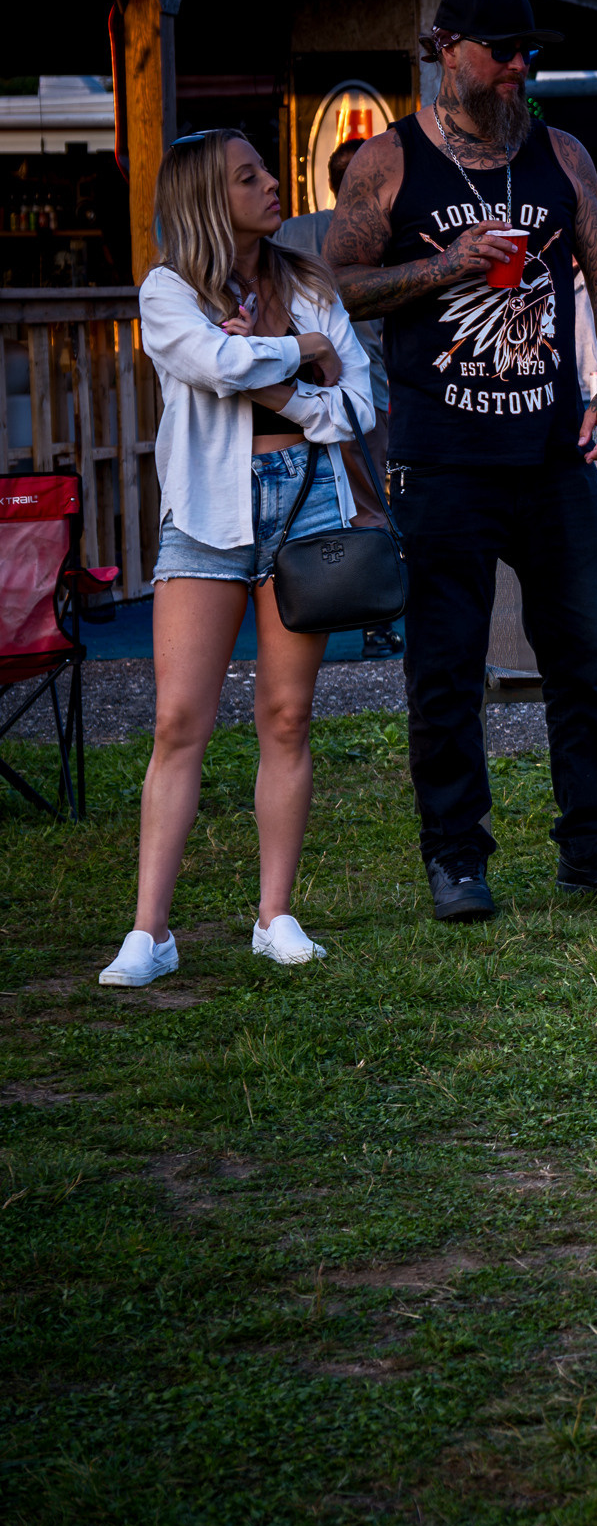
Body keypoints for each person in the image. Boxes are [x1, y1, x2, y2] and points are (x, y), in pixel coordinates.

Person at [326, 0, 597, 923]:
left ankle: (594, 851)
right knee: (445, 668)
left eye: (534, 53)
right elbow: (339, 285)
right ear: (448, 50)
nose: (523, 67)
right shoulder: (389, 164)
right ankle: (456, 858)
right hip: (442, 458)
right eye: (505, 51)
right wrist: (446, 265)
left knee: (585, 661)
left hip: (554, 452)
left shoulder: (559, 154)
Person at [103, 132, 375, 986]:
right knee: (178, 721)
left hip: (307, 504)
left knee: (286, 717)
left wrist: (280, 387)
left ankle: (275, 915)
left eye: (265, 170)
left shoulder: (309, 281)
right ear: (203, 196)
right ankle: (150, 933)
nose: (270, 185)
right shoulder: (167, 290)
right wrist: (301, 353)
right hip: (208, 514)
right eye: (247, 176)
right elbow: (211, 362)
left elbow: (359, 403)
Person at [277, 136, 401, 662]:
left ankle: (300, 610)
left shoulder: (288, 233)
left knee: (301, 507)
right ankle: (374, 622)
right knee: (368, 502)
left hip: (287, 396)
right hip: (359, 395)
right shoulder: (386, 239)